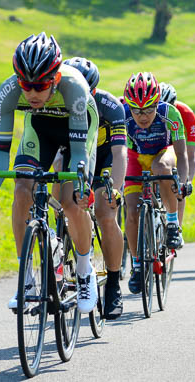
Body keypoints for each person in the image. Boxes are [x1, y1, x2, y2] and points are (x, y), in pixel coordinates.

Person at [0, 33, 100, 314]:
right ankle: (26, 281)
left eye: (41, 85)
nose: (32, 93)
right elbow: (0, 149)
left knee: (71, 201)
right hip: (40, 129)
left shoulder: (75, 88)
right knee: (22, 190)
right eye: (26, 85)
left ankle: (83, 270)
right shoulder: (8, 92)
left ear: (55, 79)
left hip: (77, 134)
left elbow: (79, 153)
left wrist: (82, 186)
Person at [60, 57, 127, 319]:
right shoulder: (59, 104)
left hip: (104, 162)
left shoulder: (110, 107)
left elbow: (120, 153)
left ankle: (112, 284)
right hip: (74, 157)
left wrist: (116, 190)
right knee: (62, 202)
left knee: (105, 213)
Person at [123, 72, 189, 294]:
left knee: (162, 169)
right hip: (135, 157)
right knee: (131, 211)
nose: (143, 116)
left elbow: (182, 153)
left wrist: (183, 181)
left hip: (163, 152)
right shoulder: (121, 114)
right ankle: (137, 265)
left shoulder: (170, 112)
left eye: (149, 109)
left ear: (157, 103)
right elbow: (116, 152)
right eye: (137, 110)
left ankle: (171, 223)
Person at [159, 82, 195, 228]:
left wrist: (187, 181)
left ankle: (177, 230)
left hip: (175, 147)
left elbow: (190, 154)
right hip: (156, 146)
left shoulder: (186, 114)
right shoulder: (148, 113)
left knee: (179, 189)